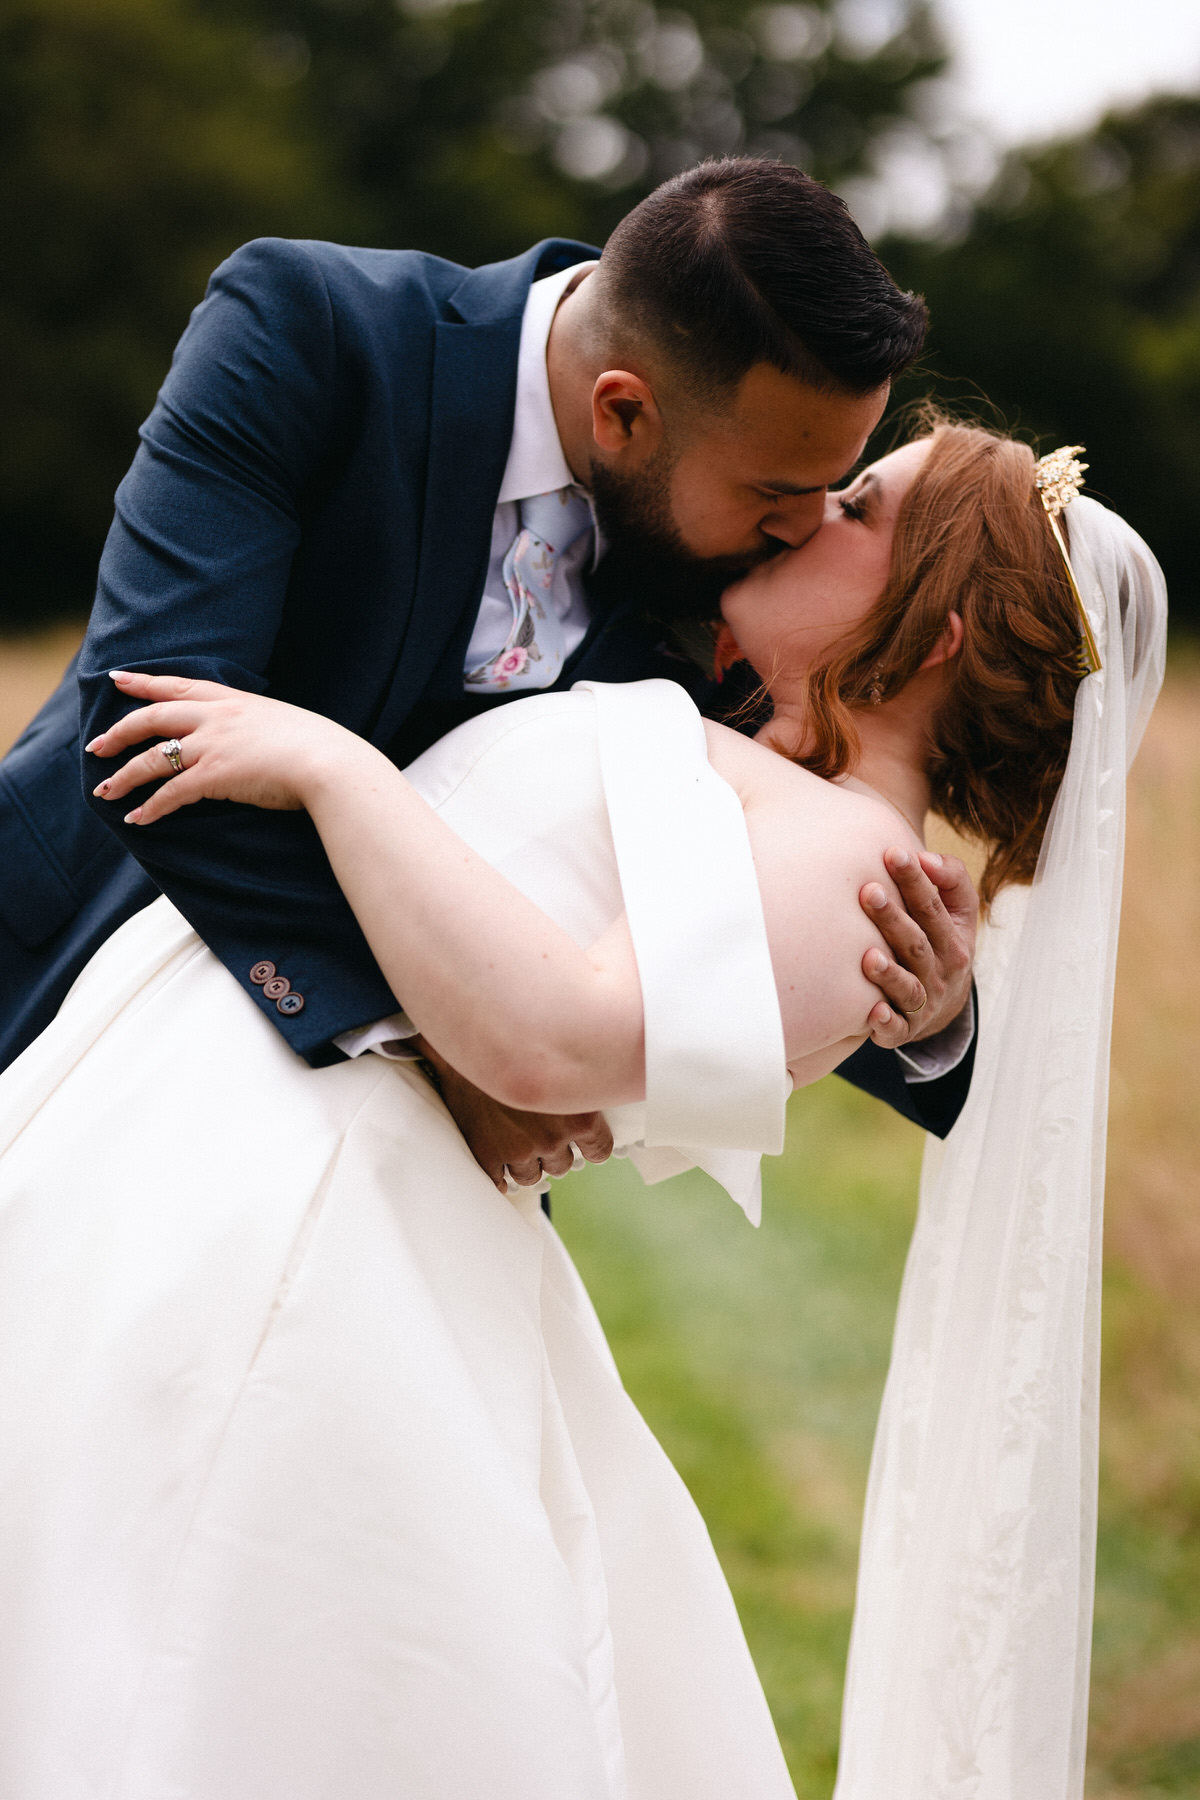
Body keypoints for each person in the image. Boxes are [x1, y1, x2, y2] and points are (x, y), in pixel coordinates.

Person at [0, 421, 1165, 1797]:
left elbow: (554, 1047)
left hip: (302, 1219)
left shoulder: (864, 878)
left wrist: (329, 770)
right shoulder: (765, 758)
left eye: (857, 506)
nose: (802, 515)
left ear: (939, 632)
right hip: (185, 1132)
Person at [0, 158, 979, 1192]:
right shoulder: (310, 330)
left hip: (388, 1182)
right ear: (623, 415)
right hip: (63, 974)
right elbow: (148, 716)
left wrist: (934, 1012)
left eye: (833, 489)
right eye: (778, 490)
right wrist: (431, 1043)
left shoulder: (736, 582)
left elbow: (763, 893)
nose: (805, 527)